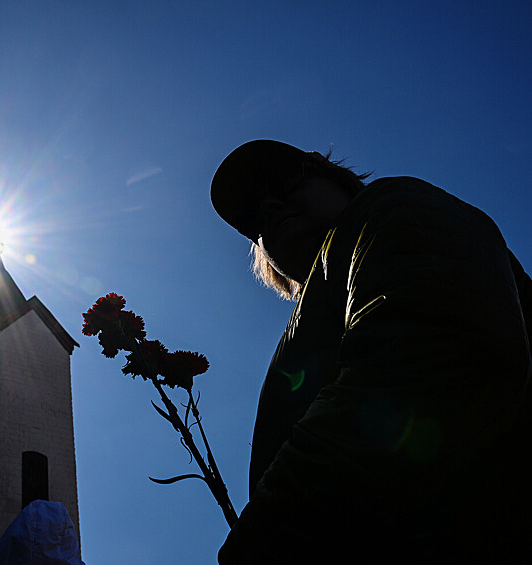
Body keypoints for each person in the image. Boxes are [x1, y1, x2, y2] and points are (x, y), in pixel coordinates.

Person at [210, 140, 532, 563]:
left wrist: (261, 545)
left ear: (333, 176)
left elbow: (424, 366)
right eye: (256, 220)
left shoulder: (392, 207)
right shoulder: (328, 298)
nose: (270, 206)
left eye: (285, 182)